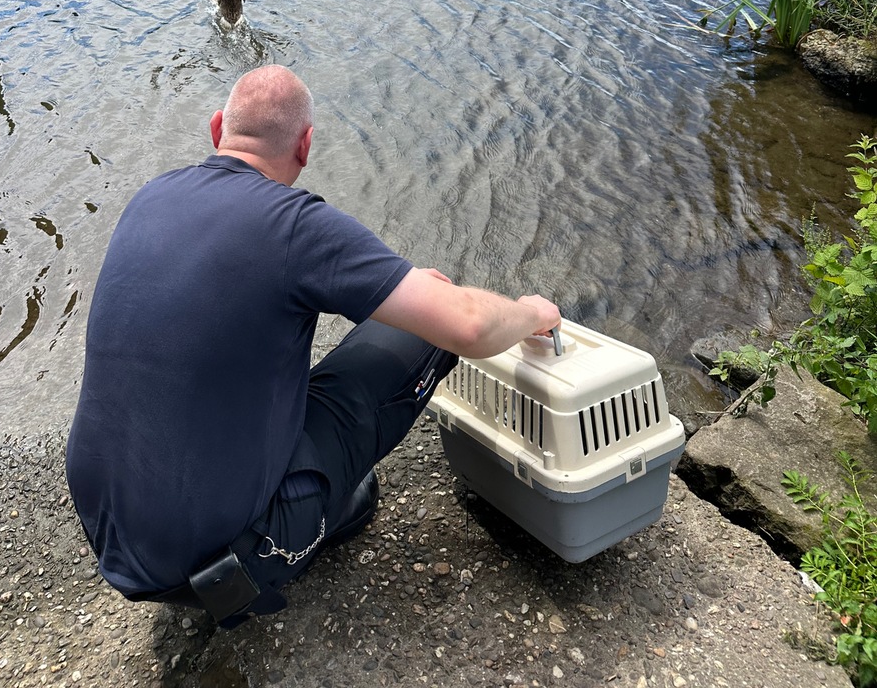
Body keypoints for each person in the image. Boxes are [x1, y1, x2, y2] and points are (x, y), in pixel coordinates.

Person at [66, 65, 561, 628]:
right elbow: (468, 325)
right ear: (305, 146)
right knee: (428, 320)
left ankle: (256, 508)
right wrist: (532, 313)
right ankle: (315, 513)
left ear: (216, 129)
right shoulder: (295, 225)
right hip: (220, 566)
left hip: (110, 535)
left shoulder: (149, 198)